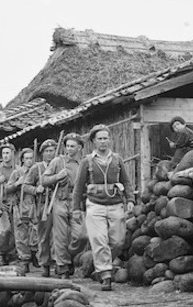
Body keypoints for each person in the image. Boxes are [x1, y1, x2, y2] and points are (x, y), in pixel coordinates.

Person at [72, 124, 133, 291]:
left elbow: (126, 181)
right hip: (95, 205)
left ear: (110, 140)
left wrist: (130, 199)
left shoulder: (117, 159)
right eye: (100, 138)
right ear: (93, 141)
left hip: (115, 205)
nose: (103, 142)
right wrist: (76, 209)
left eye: (106, 138)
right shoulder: (87, 161)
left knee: (118, 241)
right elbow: (78, 187)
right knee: (99, 239)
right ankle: (105, 273)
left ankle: (100, 265)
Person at [42, 134, 83, 278]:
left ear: (79, 147)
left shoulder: (83, 163)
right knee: (60, 236)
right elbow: (44, 180)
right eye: (68, 146)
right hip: (60, 199)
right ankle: (63, 266)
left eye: (73, 146)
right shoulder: (57, 161)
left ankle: (68, 257)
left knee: (80, 235)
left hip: (77, 201)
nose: (69, 149)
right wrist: (57, 177)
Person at [25, 139, 58, 277]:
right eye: (47, 151)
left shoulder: (59, 165)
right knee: (43, 236)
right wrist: (36, 189)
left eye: (52, 151)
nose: (50, 154)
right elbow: (25, 186)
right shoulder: (36, 168)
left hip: (58, 203)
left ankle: (59, 264)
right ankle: (45, 264)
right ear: (42, 153)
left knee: (59, 235)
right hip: (43, 205)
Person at [6, 148, 38, 275]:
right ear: (22, 160)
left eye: (31, 158)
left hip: (34, 204)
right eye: (26, 158)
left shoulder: (37, 170)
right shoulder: (17, 172)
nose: (29, 161)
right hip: (20, 204)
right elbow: (8, 188)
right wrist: (16, 184)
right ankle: (25, 260)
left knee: (35, 232)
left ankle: (35, 255)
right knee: (21, 234)